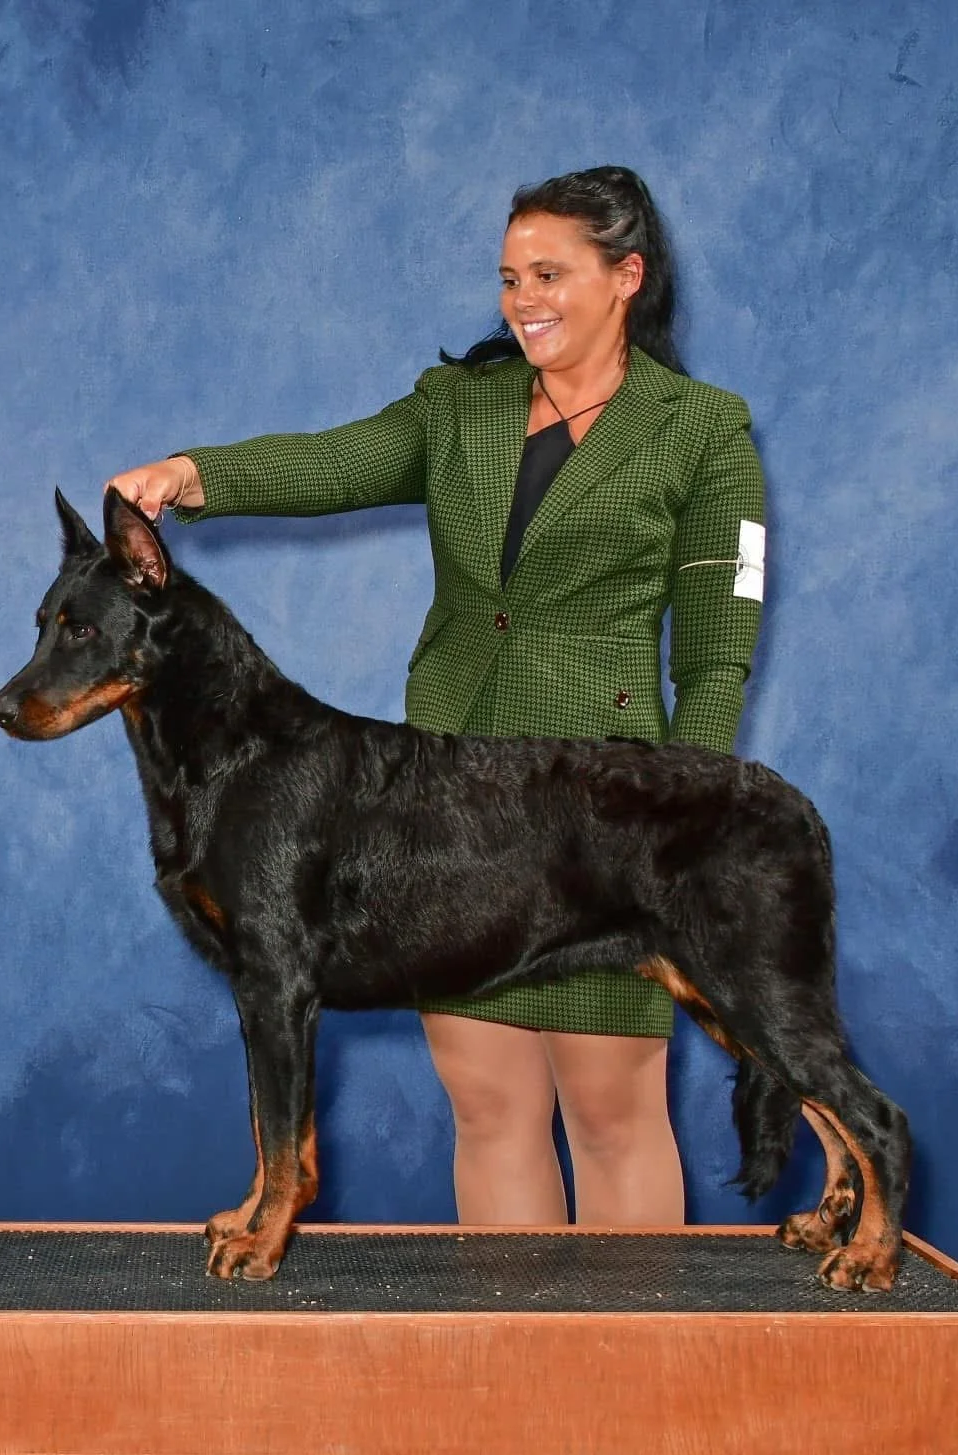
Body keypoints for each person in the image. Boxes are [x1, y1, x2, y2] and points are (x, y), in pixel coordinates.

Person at [108, 166, 766, 1230]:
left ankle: (629, 1375)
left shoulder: (703, 433)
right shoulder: (457, 406)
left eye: (549, 274)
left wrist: (682, 824)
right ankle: (516, 1373)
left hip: (604, 818)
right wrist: (194, 474)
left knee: (611, 1112)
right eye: (509, 278)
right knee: (490, 1107)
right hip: (447, 815)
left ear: (625, 278)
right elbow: (333, 461)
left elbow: (717, 655)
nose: (523, 300)